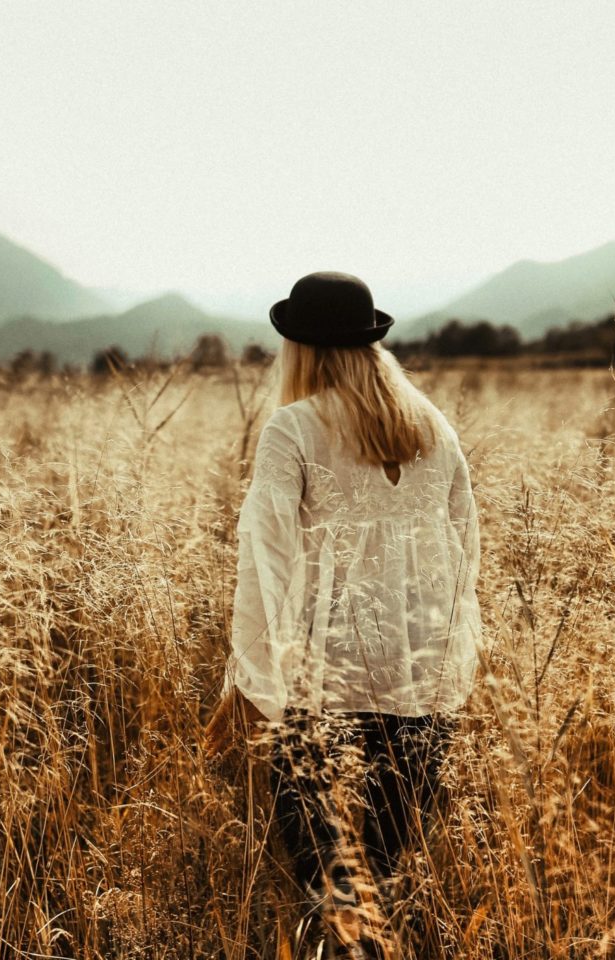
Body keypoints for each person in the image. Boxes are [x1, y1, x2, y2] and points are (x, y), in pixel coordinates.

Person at [201, 270, 483, 957]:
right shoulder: (432, 427)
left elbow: (263, 565)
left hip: (320, 688)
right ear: (370, 343)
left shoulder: (292, 428)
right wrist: (450, 665)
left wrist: (250, 683)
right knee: (384, 883)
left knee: (325, 891)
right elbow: (466, 552)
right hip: (420, 685)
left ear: (298, 348)